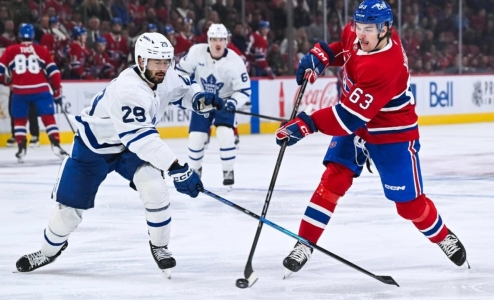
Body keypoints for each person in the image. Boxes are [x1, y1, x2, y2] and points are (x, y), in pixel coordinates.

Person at [275, 0, 468, 277]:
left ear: (385, 30)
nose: (360, 34)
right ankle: (304, 244)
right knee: (333, 179)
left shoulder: (385, 66)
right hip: (357, 123)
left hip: (392, 132)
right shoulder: (359, 35)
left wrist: (307, 124)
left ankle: (442, 236)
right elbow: (345, 50)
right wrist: (323, 56)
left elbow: (347, 119)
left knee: (409, 206)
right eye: (358, 26)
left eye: (368, 29)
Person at [14, 32, 225, 278]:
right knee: (67, 213)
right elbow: (142, 139)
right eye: (157, 62)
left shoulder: (165, 75)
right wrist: (176, 167)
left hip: (128, 147)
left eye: (166, 61)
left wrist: (198, 99)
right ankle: (48, 251)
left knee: (155, 188)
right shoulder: (128, 89)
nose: (163, 68)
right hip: (94, 148)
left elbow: (185, 86)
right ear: (141, 61)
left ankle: (160, 246)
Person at [176, 23, 250, 189]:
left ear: (226, 41)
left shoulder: (235, 61)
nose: (218, 43)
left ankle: (228, 170)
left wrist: (233, 102)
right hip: (203, 101)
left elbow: (244, 90)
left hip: (224, 101)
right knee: (196, 138)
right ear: (208, 40)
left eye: (221, 39)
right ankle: (194, 171)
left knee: (225, 134)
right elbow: (180, 72)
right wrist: (192, 91)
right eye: (214, 39)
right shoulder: (196, 52)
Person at [0, 23, 67, 162]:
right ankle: (56, 143)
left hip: (20, 90)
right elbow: (54, 73)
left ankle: (21, 148)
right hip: (41, 89)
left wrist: (5, 82)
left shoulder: (11, 50)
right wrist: (56, 90)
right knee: (48, 117)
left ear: (19, 36)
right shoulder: (41, 50)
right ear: (33, 36)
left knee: (20, 119)